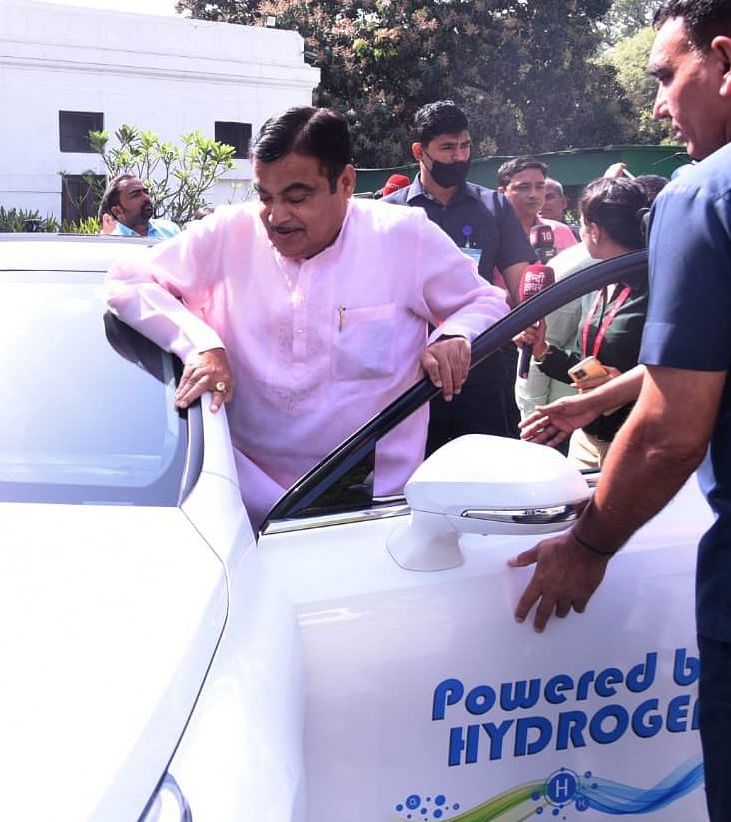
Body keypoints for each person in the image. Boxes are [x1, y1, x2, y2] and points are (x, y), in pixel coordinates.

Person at [510, 2, 731, 822]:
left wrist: (588, 546)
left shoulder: (716, 192)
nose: (659, 107)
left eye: (665, 77)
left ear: (728, 63)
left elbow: (669, 429)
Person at [106, 107, 507, 527]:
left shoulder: (402, 236)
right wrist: (201, 345)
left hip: (366, 512)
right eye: (265, 197)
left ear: (346, 183)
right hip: (236, 506)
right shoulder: (230, 232)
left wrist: (453, 335)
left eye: (297, 198)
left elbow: (488, 301)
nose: (277, 218)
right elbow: (128, 281)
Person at [385, 101, 539, 453]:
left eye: (465, 146)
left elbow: (520, 281)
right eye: (447, 148)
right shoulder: (391, 213)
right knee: (415, 479)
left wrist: (530, 315)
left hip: (482, 364)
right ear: (419, 152)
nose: (459, 157)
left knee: (489, 474)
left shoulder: (494, 207)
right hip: (412, 373)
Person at [515, 177, 652, 467]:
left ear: (596, 231)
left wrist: (624, 385)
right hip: (587, 439)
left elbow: (673, 370)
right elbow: (592, 366)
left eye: (581, 224)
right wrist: (542, 351)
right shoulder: (599, 283)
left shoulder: (658, 286)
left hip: (638, 441)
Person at [497, 157, 578, 258]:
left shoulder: (561, 231)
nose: (533, 194)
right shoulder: (490, 233)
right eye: (524, 187)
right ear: (502, 193)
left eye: (539, 187)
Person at [98, 174, 181, 240]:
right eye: (135, 195)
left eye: (146, 192)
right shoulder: (114, 242)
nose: (146, 198)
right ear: (117, 211)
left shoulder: (170, 230)